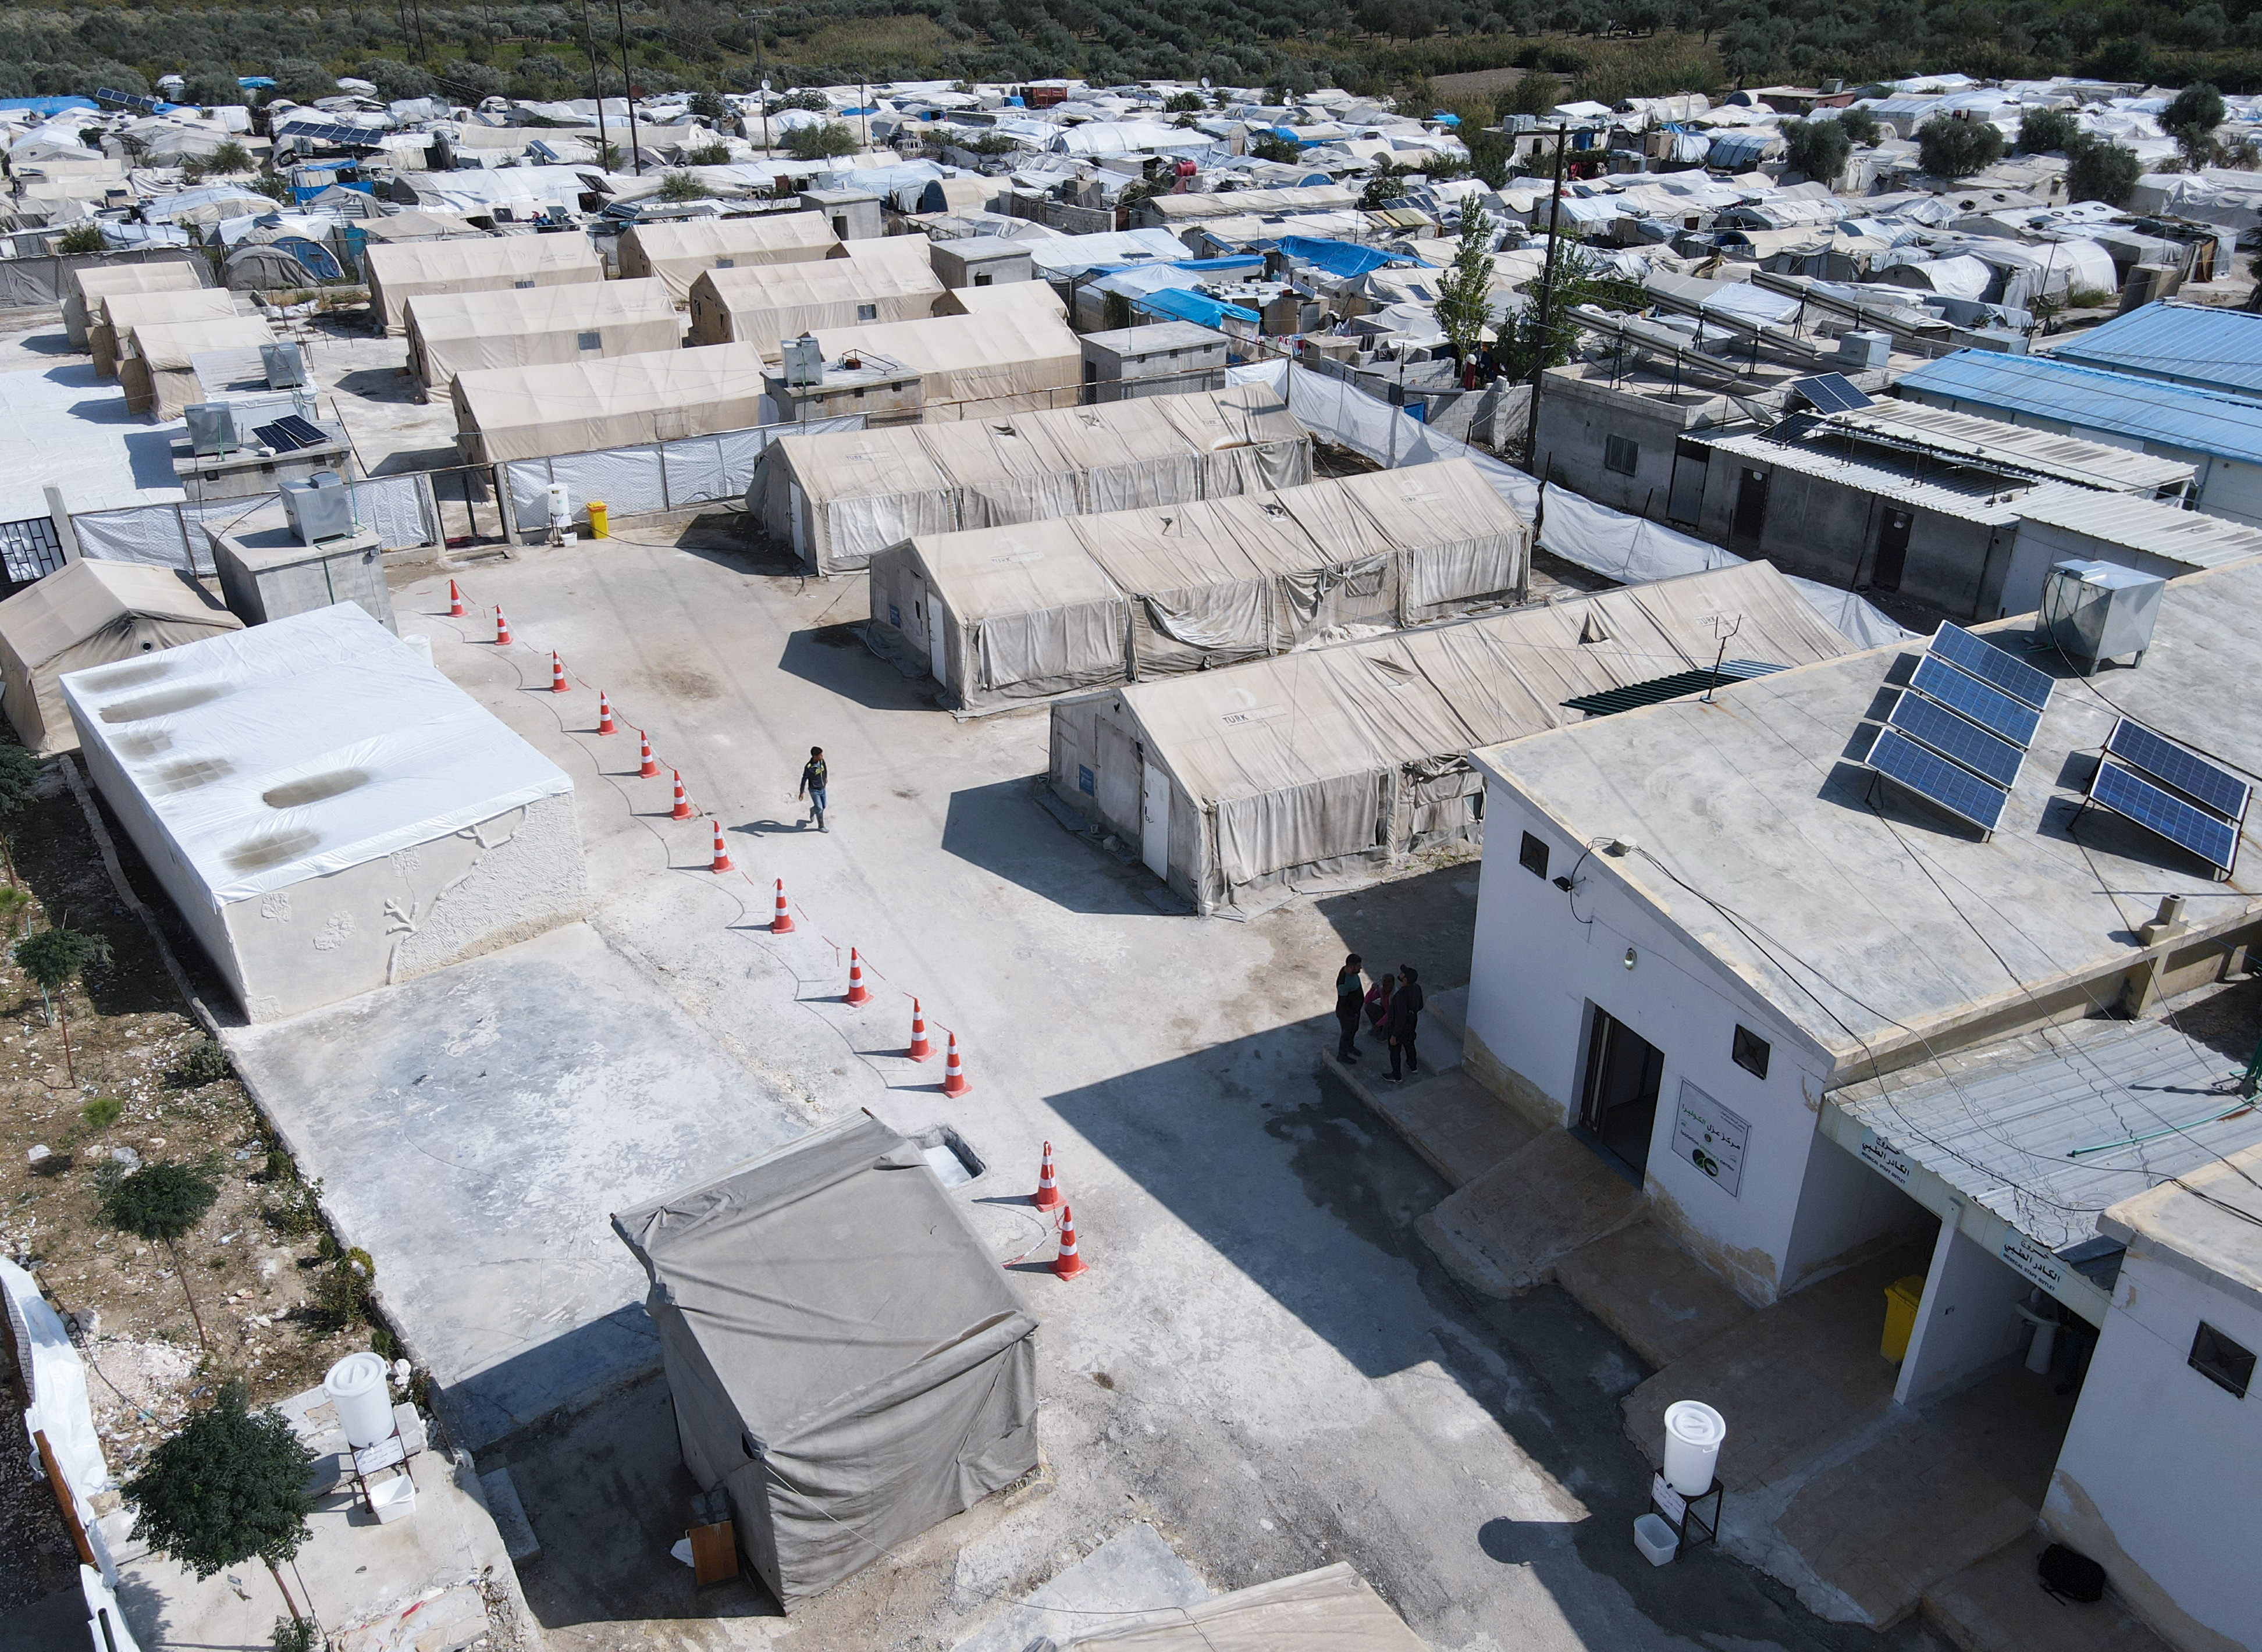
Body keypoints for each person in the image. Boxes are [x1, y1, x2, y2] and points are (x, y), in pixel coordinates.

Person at [1387, 964, 1424, 1081]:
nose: (1400, 974)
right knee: (1410, 1044)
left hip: (1400, 1028)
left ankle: (1397, 1076)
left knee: (1395, 1051)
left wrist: (1394, 1035)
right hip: (1412, 1023)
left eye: (1403, 974)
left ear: (1405, 979)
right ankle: (1413, 1066)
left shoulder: (1401, 995)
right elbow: (1421, 1006)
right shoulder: (1417, 988)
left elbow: (1400, 1018)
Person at [1334, 953, 1365, 1062]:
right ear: (1351, 967)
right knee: (1346, 1034)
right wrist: (1351, 1015)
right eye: (1358, 966)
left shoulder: (1351, 972)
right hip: (1347, 1014)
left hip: (1354, 1012)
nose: (1360, 968)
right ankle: (1342, 1055)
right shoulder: (1343, 983)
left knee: (1354, 1030)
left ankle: (1350, 1047)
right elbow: (1343, 1002)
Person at [798, 746, 828, 831]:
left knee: (824, 806)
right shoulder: (809, 767)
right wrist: (801, 792)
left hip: (823, 788)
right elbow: (804, 779)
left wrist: (825, 777)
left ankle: (813, 810)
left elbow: (825, 769)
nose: (822, 757)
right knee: (820, 809)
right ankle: (821, 826)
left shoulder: (821, 761)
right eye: (820, 755)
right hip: (814, 790)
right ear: (815, 756)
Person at [1364, 971, 1393, 1040]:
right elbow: (1367, 1001)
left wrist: (1377, 1025)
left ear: (1393, 983)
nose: (1386, 984)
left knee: (1388, 1021)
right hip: (1386, 1012)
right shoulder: (1381, 990)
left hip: (1394, 1016)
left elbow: (1391, 1014)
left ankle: (1386, 1034)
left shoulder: (1395, 995)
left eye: (1389, 982)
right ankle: (1380, 1029)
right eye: (1384, 981)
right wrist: (1372, 989)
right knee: (1368, 1007)